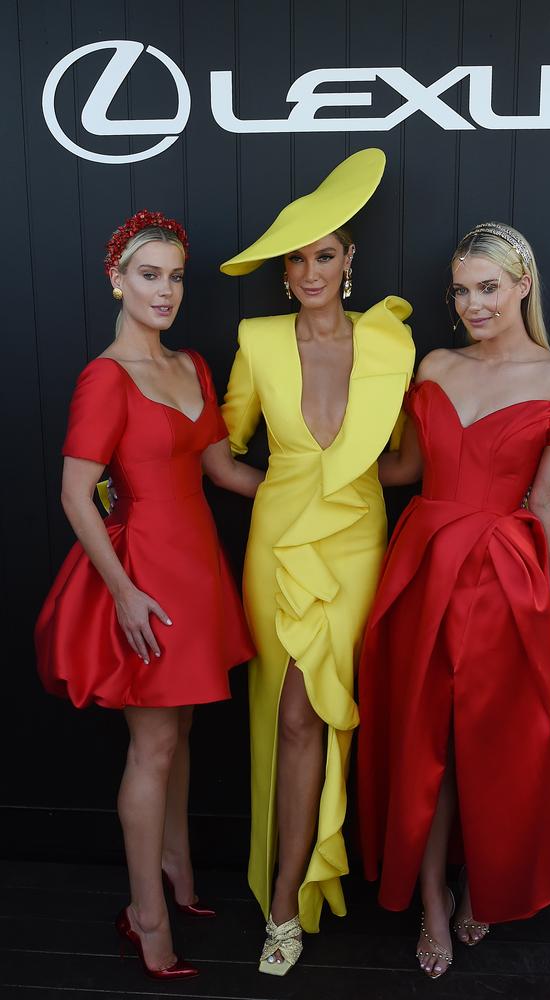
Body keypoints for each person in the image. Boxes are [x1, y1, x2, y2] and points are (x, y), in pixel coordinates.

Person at [357, 222, 550, 980]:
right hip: (422, 569)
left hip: (505, 577)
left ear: (523, 284)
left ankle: (480, 884)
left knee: (488, 749)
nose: (473, 304)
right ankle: (430, 897)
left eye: (489, 287)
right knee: (420, 742)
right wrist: (316, 457)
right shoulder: (433, 363)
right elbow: (401, 465)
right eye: (462, 291)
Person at [35, 210, 262, 981]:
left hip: (198, 568)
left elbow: (226, 472)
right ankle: (148, 920)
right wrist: (124, 592)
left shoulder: (193, 365)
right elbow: (74, 494)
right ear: (116, 280)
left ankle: (181, 876)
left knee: (182, 735)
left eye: (174, 276)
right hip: (146, 578)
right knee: (155, 744)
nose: (164, 290)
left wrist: (320, 495)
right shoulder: (106, 377)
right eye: (148, 275)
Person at [219, 149, 415, 974]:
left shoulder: (388, 344)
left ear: (349, 261)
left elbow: (405, 461)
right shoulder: (256, 341)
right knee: (287, 713)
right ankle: (283, 907)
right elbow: (219, 452)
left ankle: (298, 893)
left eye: (323, 253)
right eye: (295, 257)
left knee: (326, 715)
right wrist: (287, 490)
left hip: (358, 543)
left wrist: (347, 487)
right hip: (279, 546)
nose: (307, 270)